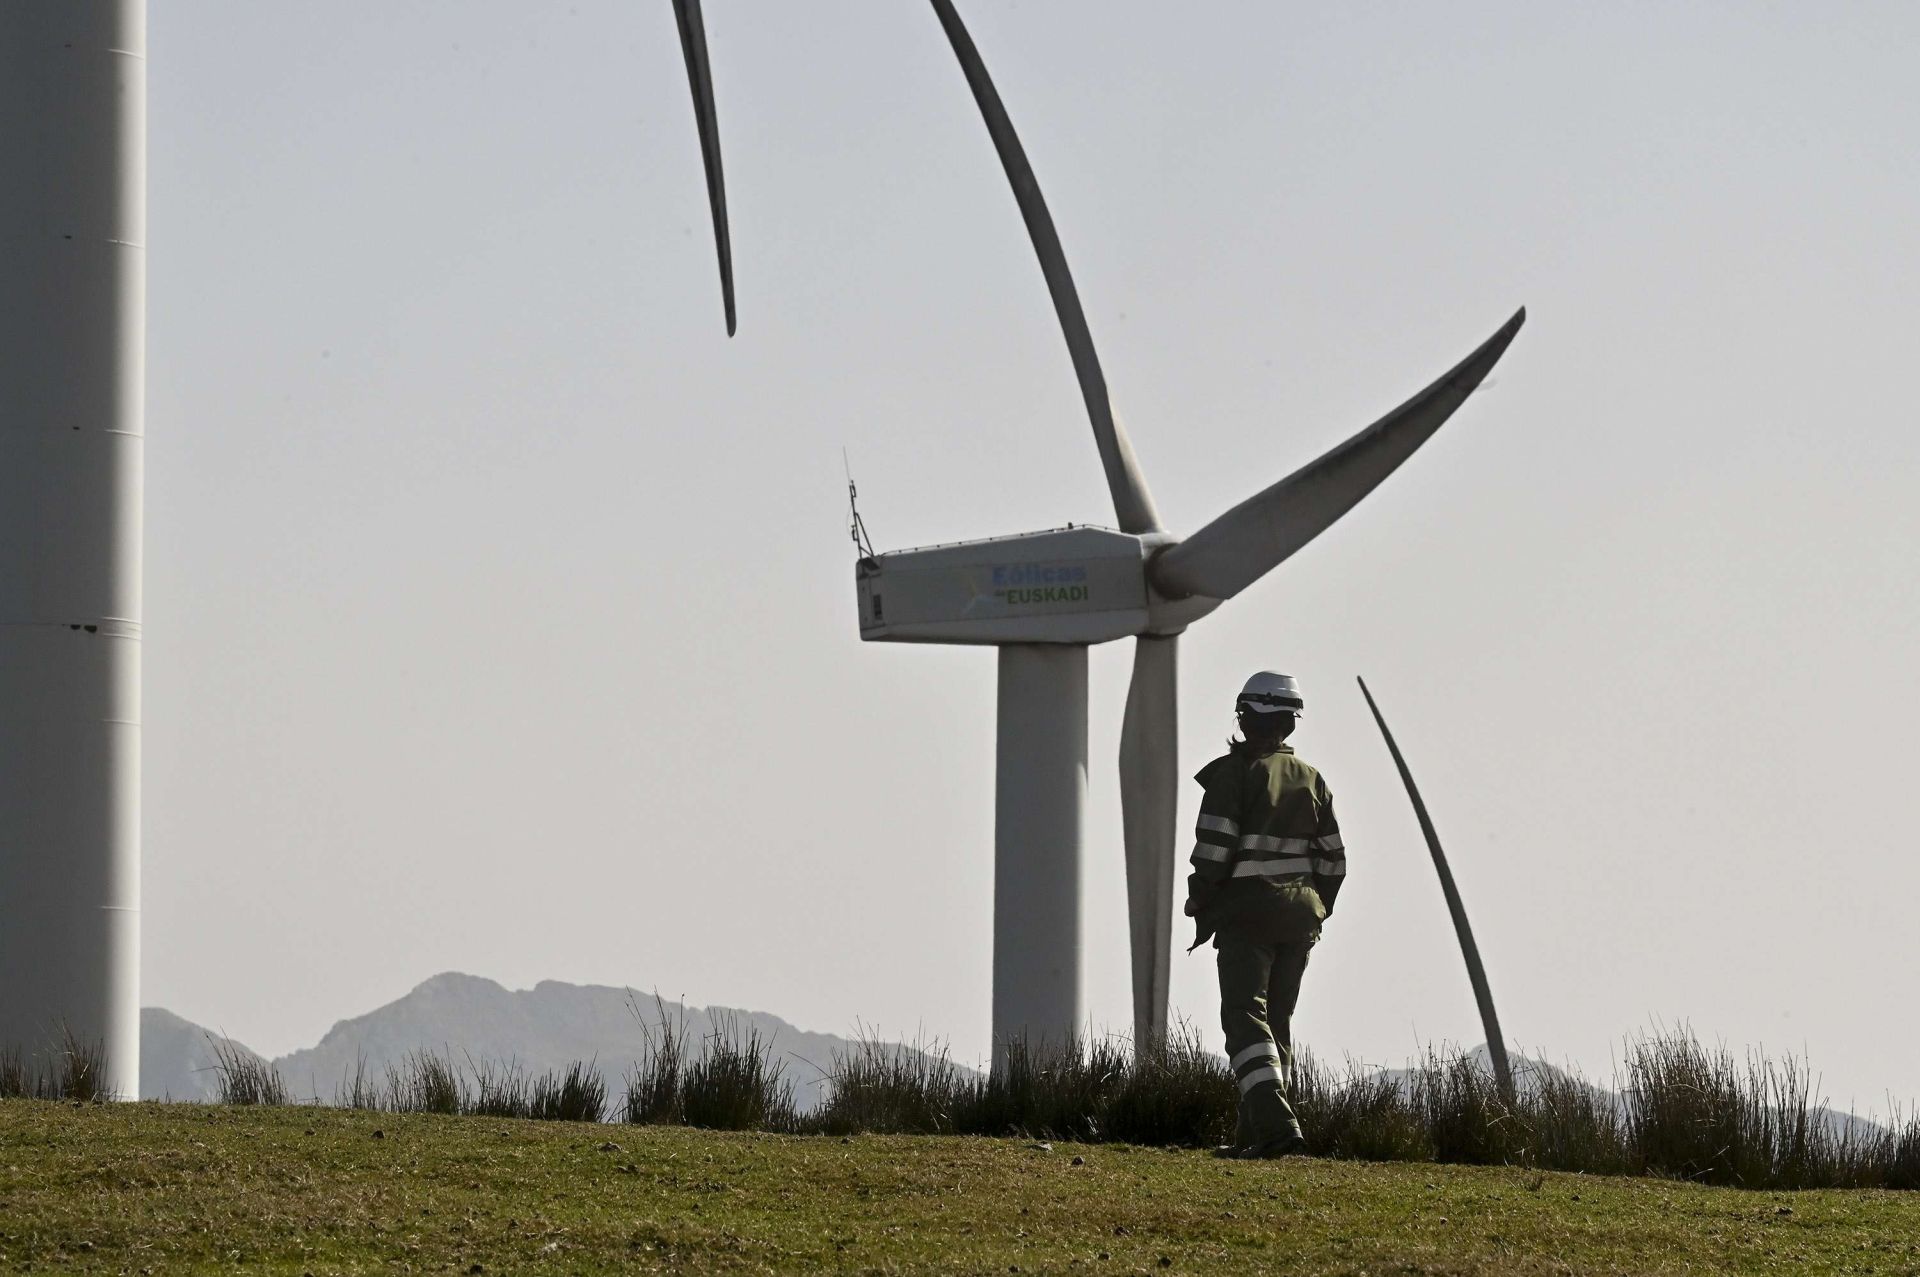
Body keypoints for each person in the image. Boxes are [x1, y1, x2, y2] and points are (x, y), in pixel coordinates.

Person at [1184, 671, 1345, 1159]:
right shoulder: (1312, 779)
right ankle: (1254, 1138)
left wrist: (1200, 898)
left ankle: (1277, 1129)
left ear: (1244, 716)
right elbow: (1334, 862)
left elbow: (1212, 851)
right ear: (1289, 724)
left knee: (1244, 1016)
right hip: (1300, 920)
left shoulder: (1233, 775)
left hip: (1248, 916)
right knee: (1277, 1022)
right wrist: (1314, 910)